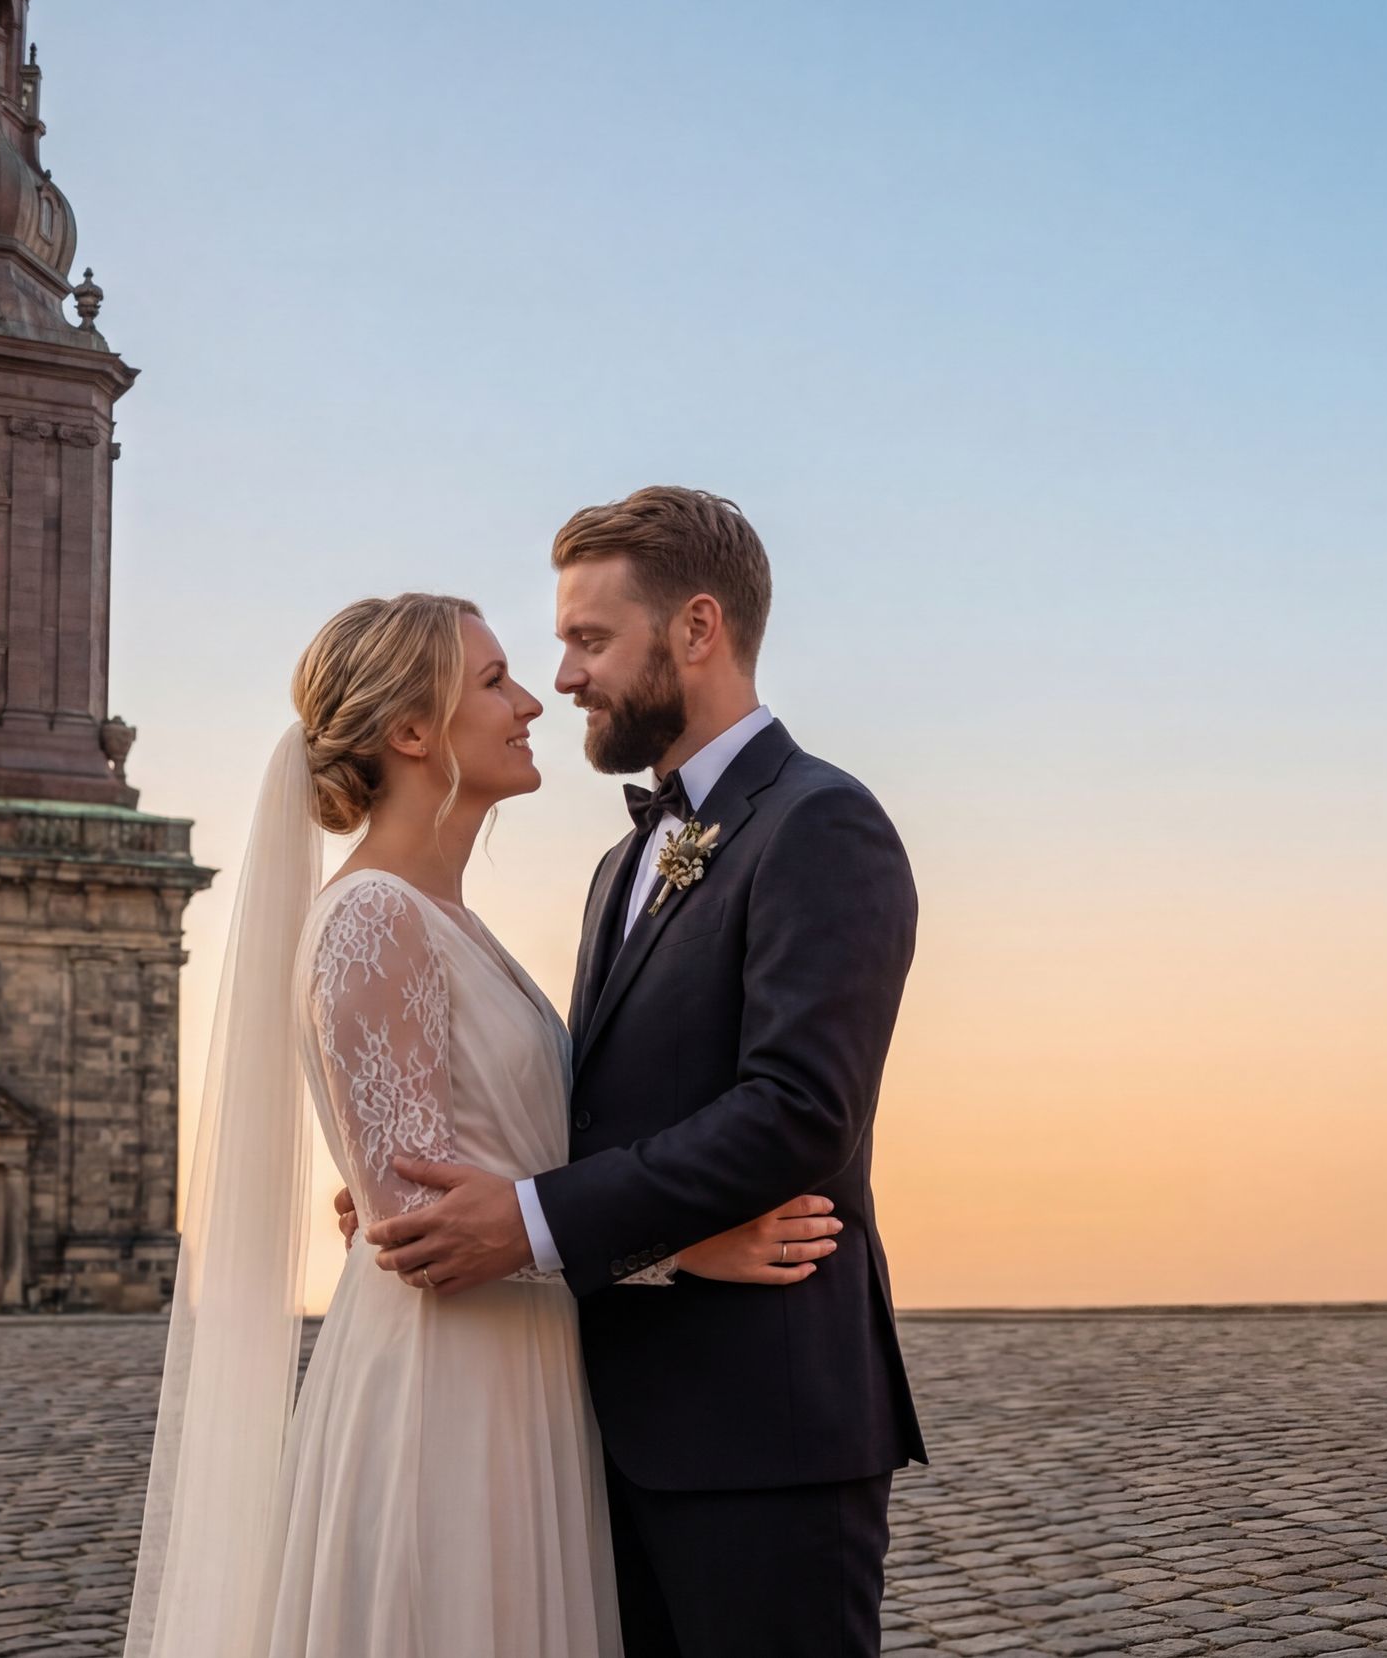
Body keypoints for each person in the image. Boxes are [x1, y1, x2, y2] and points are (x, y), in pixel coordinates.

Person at [123, 591, 835, 1658]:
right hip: (443, 1397)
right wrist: (687, 1250)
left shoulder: (445, 916)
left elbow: (460, 1169)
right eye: (494, 681)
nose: (532, 702)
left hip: (517, 1375)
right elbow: (423, 1234)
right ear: (412, 733)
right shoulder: (371, 918)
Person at [358, 488, 926, 1656]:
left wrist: (524, 1219)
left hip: (763, 1438)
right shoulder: (622, 863)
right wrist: (430, 1185)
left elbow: (799, 1111)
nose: (563, 677)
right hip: (595, 1435)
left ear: (697, 630)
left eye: (589, 639)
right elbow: (600, 1122)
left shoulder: (822, 824)